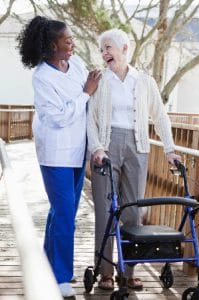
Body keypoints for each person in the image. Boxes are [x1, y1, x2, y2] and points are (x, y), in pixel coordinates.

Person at [87, 28, 181, 290]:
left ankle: (129, 271)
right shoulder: (99, 80)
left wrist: (170, 149)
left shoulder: (144, 81)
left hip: (138, 146)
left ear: (124, 48)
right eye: (102, 48)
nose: (104, 53)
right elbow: (90, 120)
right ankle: (105, 271)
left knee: (133, 210)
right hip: (105, 147)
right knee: (105, 211)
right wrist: (96, 147)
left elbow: (160, 116)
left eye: (108, 47)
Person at [17, 15, 101, 297]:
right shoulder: (42, 77)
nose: (72, 43)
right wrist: (86, 93)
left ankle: (48, 265)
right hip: (55, 154)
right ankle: (61, 277)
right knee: (65, 215)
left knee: (63, 213)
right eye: (67, 40)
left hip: (78, 151)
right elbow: (57, 117)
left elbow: (86, 102)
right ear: (53, 45)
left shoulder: (75, 64)